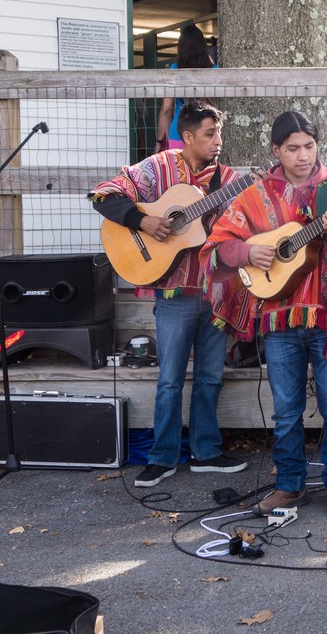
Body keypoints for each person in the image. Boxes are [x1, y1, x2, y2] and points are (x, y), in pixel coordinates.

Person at [199, 111, 327, 518]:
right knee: (285, 412)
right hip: (279, 319)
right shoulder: (254, 196)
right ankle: (289, 486)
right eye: (293, 148)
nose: (303, 156)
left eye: (309, 147)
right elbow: (216, 247)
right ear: (276, 150)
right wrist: (248, 251)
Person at [90, 100, 247, 488]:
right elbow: (104, 194)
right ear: (189, 136)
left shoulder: (227, 179)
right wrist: (144, 219)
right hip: (173, 293)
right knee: (170, 379)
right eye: (210, 134)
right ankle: (162, 457)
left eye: (220, 133)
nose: (217, 141)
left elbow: (247, 221)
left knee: (211, 376)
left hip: (215, 293)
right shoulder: (157, 168)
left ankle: (207, 453)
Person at [154, 25, 216, 153]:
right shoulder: (214, 70)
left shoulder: (175, 69)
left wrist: (163, 138)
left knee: (178, 172)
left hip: (179, 132)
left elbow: (166, 110)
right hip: (205, 132)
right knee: (204, 173)